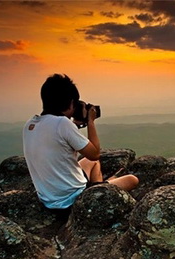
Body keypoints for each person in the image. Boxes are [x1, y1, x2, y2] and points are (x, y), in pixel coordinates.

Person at [23, 74, 138, 220]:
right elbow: (94, 153)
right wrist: (91, 122)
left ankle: (99, 186)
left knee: (92, 163)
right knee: (133, 180)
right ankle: (98, 193)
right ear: (71, 103)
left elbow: (57, 138)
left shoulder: (30, 124)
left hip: (48, 200)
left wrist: (75, 124)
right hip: (71, 200)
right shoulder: (62, 124)